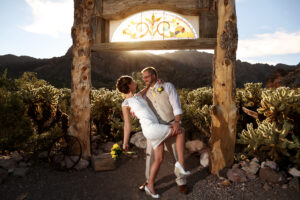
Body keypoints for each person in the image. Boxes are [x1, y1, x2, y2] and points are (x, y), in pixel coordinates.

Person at [116, 75, 190, 199]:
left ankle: (149, 187)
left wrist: (158, 82)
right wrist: (125, 143)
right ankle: (180, 165)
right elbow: (127, 126)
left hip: (153, 128)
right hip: (150, 128)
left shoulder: (138, 95)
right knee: (180, 130)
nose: (135, 82)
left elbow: (148, 86)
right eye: (133, 82)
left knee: (159, 159)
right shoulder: (126, 103)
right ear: (129, 85)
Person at [139, 66, 189, 194]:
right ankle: (148, 180)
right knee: (150, 156)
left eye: (146, 77)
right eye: (143, 77)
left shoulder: (167, 87)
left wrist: (177, 122)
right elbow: (136, 102)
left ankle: (181, 181)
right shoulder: (144, 94)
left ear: (154, 76)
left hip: (171, 125)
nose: (144, 79)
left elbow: (176, 106)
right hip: (155, 129)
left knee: (176, 154)